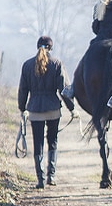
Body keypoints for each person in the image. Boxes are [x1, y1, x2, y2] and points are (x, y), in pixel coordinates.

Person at [18, 36, 79, 189]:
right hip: (53, 109)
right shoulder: (57, 64)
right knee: (52, 141)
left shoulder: (27, 65)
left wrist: (22, 108)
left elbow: (23, 90)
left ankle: (40, 179)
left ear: (37, 46)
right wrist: (72, 108)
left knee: (38, 144)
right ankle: (51, 176)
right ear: (51, 48)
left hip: (35, 110)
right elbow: (64, 90)